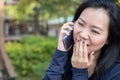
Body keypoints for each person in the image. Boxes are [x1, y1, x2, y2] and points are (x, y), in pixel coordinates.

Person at [43, 0, 120, 80]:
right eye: (80, 24)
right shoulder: (65, 58)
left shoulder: (116, 73)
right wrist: (60, 53)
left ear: (109, 39)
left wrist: (80, 72)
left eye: (95, 31)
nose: (83, 35)